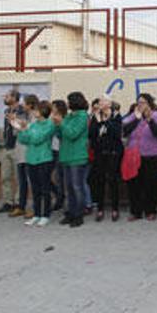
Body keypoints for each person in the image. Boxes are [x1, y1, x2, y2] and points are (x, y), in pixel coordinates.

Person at [123, 93, 157, 222]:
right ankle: (136, 211)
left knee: (151, 184)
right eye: (138, 102)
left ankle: (150, 210)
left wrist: (150, 120)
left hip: (153, 156)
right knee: (134, 184)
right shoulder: (133, 116)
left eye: (143, 102)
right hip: (135, 156)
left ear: (149, 104)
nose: (140, 105)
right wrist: (136, 119)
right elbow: (125, 130)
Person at [17, 100, 56, 226]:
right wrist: (23, 130)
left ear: (43, 111)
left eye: (37, 110)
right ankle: (37, 213)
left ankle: (46, 214)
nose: (34, 112)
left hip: (44, 159)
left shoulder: (50, 124)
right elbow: (23, 139)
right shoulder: (33, 125)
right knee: (35, 189)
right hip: (31, 159)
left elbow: (38, 139)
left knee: (45, 188)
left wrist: (27, 131)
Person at [56, 92, 90, 228]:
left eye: (69, 101)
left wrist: (62, 123)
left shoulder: (82, 117)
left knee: (77, 187)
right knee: (69, 187)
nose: (68, 103)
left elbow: (73, 134)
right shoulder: (69, 117)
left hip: (77, 156)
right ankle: (70, 212)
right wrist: (57, 125)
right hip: (66, 155)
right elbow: (62, 135)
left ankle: (79, 215)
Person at [89, 98, 123, 222]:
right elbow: (91, 134)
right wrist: (97, 121)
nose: (100, 104)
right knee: (99, 181)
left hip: (113, 153)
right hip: (99, 154)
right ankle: (100, 209)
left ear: (109, 104)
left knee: (113, 181)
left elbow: (116, 133)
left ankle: (115, 209)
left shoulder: (116, 116)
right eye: (99, 102)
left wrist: (107, 120)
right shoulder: (96, 116)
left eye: (103, 102)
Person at [8, 95, 35, 219]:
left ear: (30, 104)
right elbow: (17, 132)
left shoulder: (35, 116)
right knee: (21, 181)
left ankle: (35, 207)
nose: (22, 105)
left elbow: (33, 132)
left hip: (30, 153)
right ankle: (21, 206)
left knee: (32, 182)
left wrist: (21, 125)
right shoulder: (23, 116)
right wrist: (14, 122)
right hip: (20, 151)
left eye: (24, 103)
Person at [0, 90, 25, 213]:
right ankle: (8, 201)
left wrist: (16, 119)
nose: (5, 98)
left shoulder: (22, 111)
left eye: (7, 96)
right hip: (6, 146)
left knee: (18, 177)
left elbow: (23, 126)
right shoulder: (6, 111)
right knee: (5, 177)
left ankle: (18, 202)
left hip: (17, 146)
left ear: (14, 98)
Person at [50, 100, 67, 212]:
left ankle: (60, 199)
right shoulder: (51, 119)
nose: (52, 109)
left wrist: (58, 124)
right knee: (50, 177)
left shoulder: (65, 120)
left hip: (62, 151)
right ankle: (58, 194)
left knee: (60, 177)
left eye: (54, 107)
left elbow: (62, 135)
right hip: (52, 150)